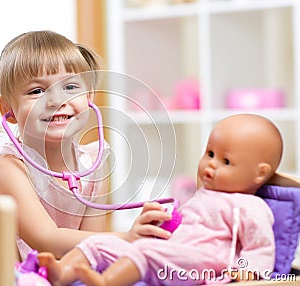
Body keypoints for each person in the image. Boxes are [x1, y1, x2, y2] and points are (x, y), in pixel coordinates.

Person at [0, 30, 172, 262]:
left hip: (54, 271)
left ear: (89, 96)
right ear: (8, 110)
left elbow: (91, 248)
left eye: (71, 87)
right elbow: (46, 240)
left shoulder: (94, 165)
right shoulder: (7, 169)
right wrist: (127, 238)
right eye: (37, 91)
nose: (56, 100)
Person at [37, 113, 281, 286]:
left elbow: (260, 247)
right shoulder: (202, 196)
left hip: (206, 263)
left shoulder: (249, 206)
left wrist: (246, 275)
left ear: (259, 172)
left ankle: (106, 282)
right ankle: (63, 273)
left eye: (225, 161)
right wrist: (162, 225)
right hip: (172, 254)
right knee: (99, 243)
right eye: (210, 154)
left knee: (146, 251)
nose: (210, 165)